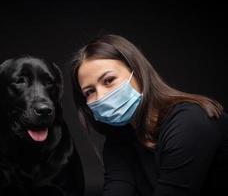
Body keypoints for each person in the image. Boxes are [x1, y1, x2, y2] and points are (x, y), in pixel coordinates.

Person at [70, 34, 228, 196]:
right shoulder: (119, 139)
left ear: (137, 72)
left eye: (109, 80)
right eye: (89, 92)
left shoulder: (190, 122)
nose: (101, 96)